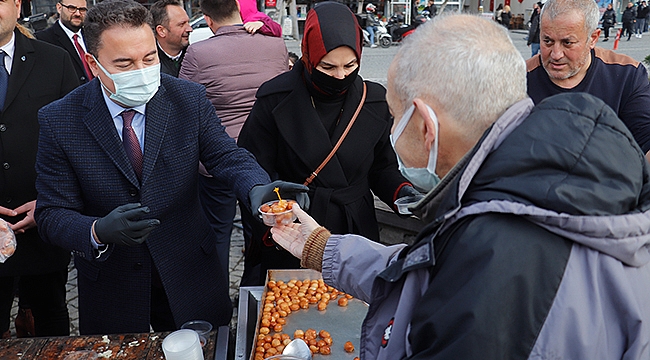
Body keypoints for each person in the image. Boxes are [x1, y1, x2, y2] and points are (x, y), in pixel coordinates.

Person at [270, 13, 650, 359]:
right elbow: (436, 271)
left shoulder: (495, 259)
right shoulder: (545, 178)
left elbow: (465, 283)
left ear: (425, 125)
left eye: (394, 117)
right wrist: (320, 246)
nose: (390, 130)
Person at [34, 0, 307, 335]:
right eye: (124, 63)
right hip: (112, 286)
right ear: (93, 63)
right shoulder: (60, 119)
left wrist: (257, 186)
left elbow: (226, 156)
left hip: (190, 271)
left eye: (149, 58)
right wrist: (96, 231)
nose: (142, 70)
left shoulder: (187, 98)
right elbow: (51, 213)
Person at [237, 1, 419, 285]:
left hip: (355, 229)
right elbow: (252, 169)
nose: (340, 76)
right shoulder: (274, 100)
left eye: (350, 65)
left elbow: (382, 169)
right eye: (328, 66)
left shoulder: (372, 101)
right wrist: (272, 215)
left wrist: (403, 193)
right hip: (297, 227)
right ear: (309, 56)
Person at [178, 0, 288, 279]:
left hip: (218, 158)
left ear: (208, 19)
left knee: (217, 230)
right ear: (239, 12)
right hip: (264, 155)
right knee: (261, 230)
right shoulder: (274, 45)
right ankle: (255, 292)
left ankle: (217, 303)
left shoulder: (198, 53)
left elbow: (183, 105)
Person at [0, 0, 79, 339]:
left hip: (42, 226)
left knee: (51, 327)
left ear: (17, 5)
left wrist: (51, 201)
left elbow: (78, 141)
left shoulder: (53, 60)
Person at [527, 0, 650, 160]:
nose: (556, 54)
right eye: (548, 41)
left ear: (593, 38)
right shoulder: (520, 78)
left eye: (567, 43)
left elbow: (645, 139)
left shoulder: (627, 74)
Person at [35, 0, 93, 85]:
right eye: (72, 8)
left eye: (82, 9)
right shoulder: (43, 40)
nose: (77, 13)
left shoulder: (93, 35)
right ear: (59, 8)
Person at [150, 0, 192, 77]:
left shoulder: (195, 57)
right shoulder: (148, 63)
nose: (190, 29)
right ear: (161, 31)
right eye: (181, 24)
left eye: (188, 22)